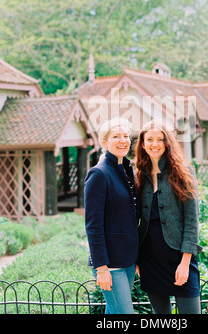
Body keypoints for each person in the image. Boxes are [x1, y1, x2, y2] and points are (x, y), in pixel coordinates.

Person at [135, 120, 202, 314]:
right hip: (150, 260)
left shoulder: (184, 171)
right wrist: (137, 258)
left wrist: (185, 263)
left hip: (179, 259)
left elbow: (192, 220)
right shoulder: (140, 175)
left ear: (167, 143)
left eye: (160, 139)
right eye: (150, 140)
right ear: (143, 143)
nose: (155, 144)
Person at [84, 118, 139, 314]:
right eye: (116, 136)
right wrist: (101, 268)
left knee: (114, 312)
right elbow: (93, 225)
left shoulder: (126, 171)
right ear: (105, 143)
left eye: (126, 136)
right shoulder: (98, 174)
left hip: (129, 261)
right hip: (110, 264)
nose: (123, 140)